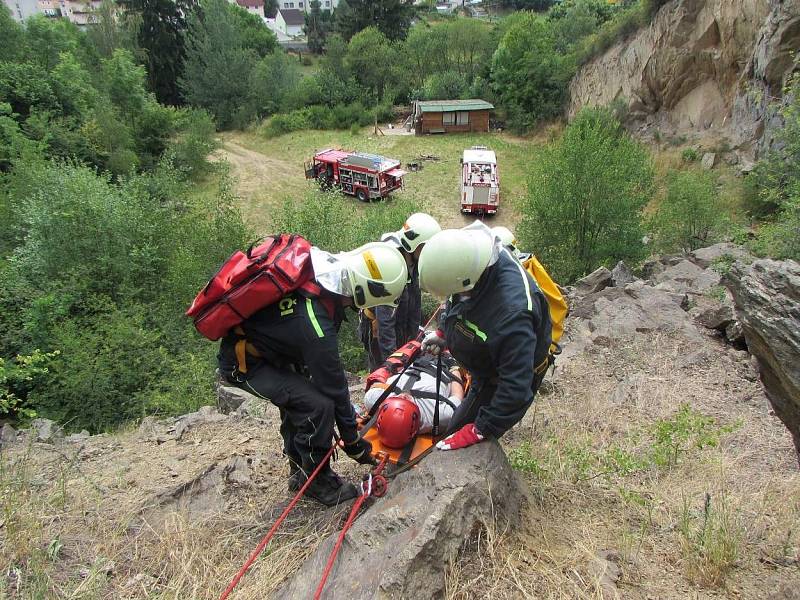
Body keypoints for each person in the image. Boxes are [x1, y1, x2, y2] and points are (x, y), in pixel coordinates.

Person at [217, 241, 408, 506]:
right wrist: (355, 444)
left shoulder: (323, 275)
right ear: (367, 291)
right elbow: (334, 388)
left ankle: (299, 471)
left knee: (300, 401)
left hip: (271, 353)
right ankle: (316, 481)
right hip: (246, 364)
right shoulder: (316, 324)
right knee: (316, 406)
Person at [417, 221, 553, 451]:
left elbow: (516, 388)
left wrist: (480, 428)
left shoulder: (513, 315)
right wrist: (443, 333)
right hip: (484, 363)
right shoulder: (470, 254)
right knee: (456, 428)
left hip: (500, 377)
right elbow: (456, 302)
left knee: (458, 435)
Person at [359, 213, 441, 371]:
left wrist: (415, 338)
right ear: (415, 244)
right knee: (382, 371)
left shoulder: (413, 260)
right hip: (379, 331)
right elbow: (385, 323)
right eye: (427, 247)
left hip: (402, 322)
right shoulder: (390, 266)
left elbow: (416, 299)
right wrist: (392, 363)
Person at [363, 352, 465, 433]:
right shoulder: (438, 416)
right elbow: (457, 395)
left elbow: (378, 380)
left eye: (398, 398)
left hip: (415, 360)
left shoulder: (374, 400)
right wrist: (454, 367)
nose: (403, 395)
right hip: (443, 365)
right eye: (407, 401)